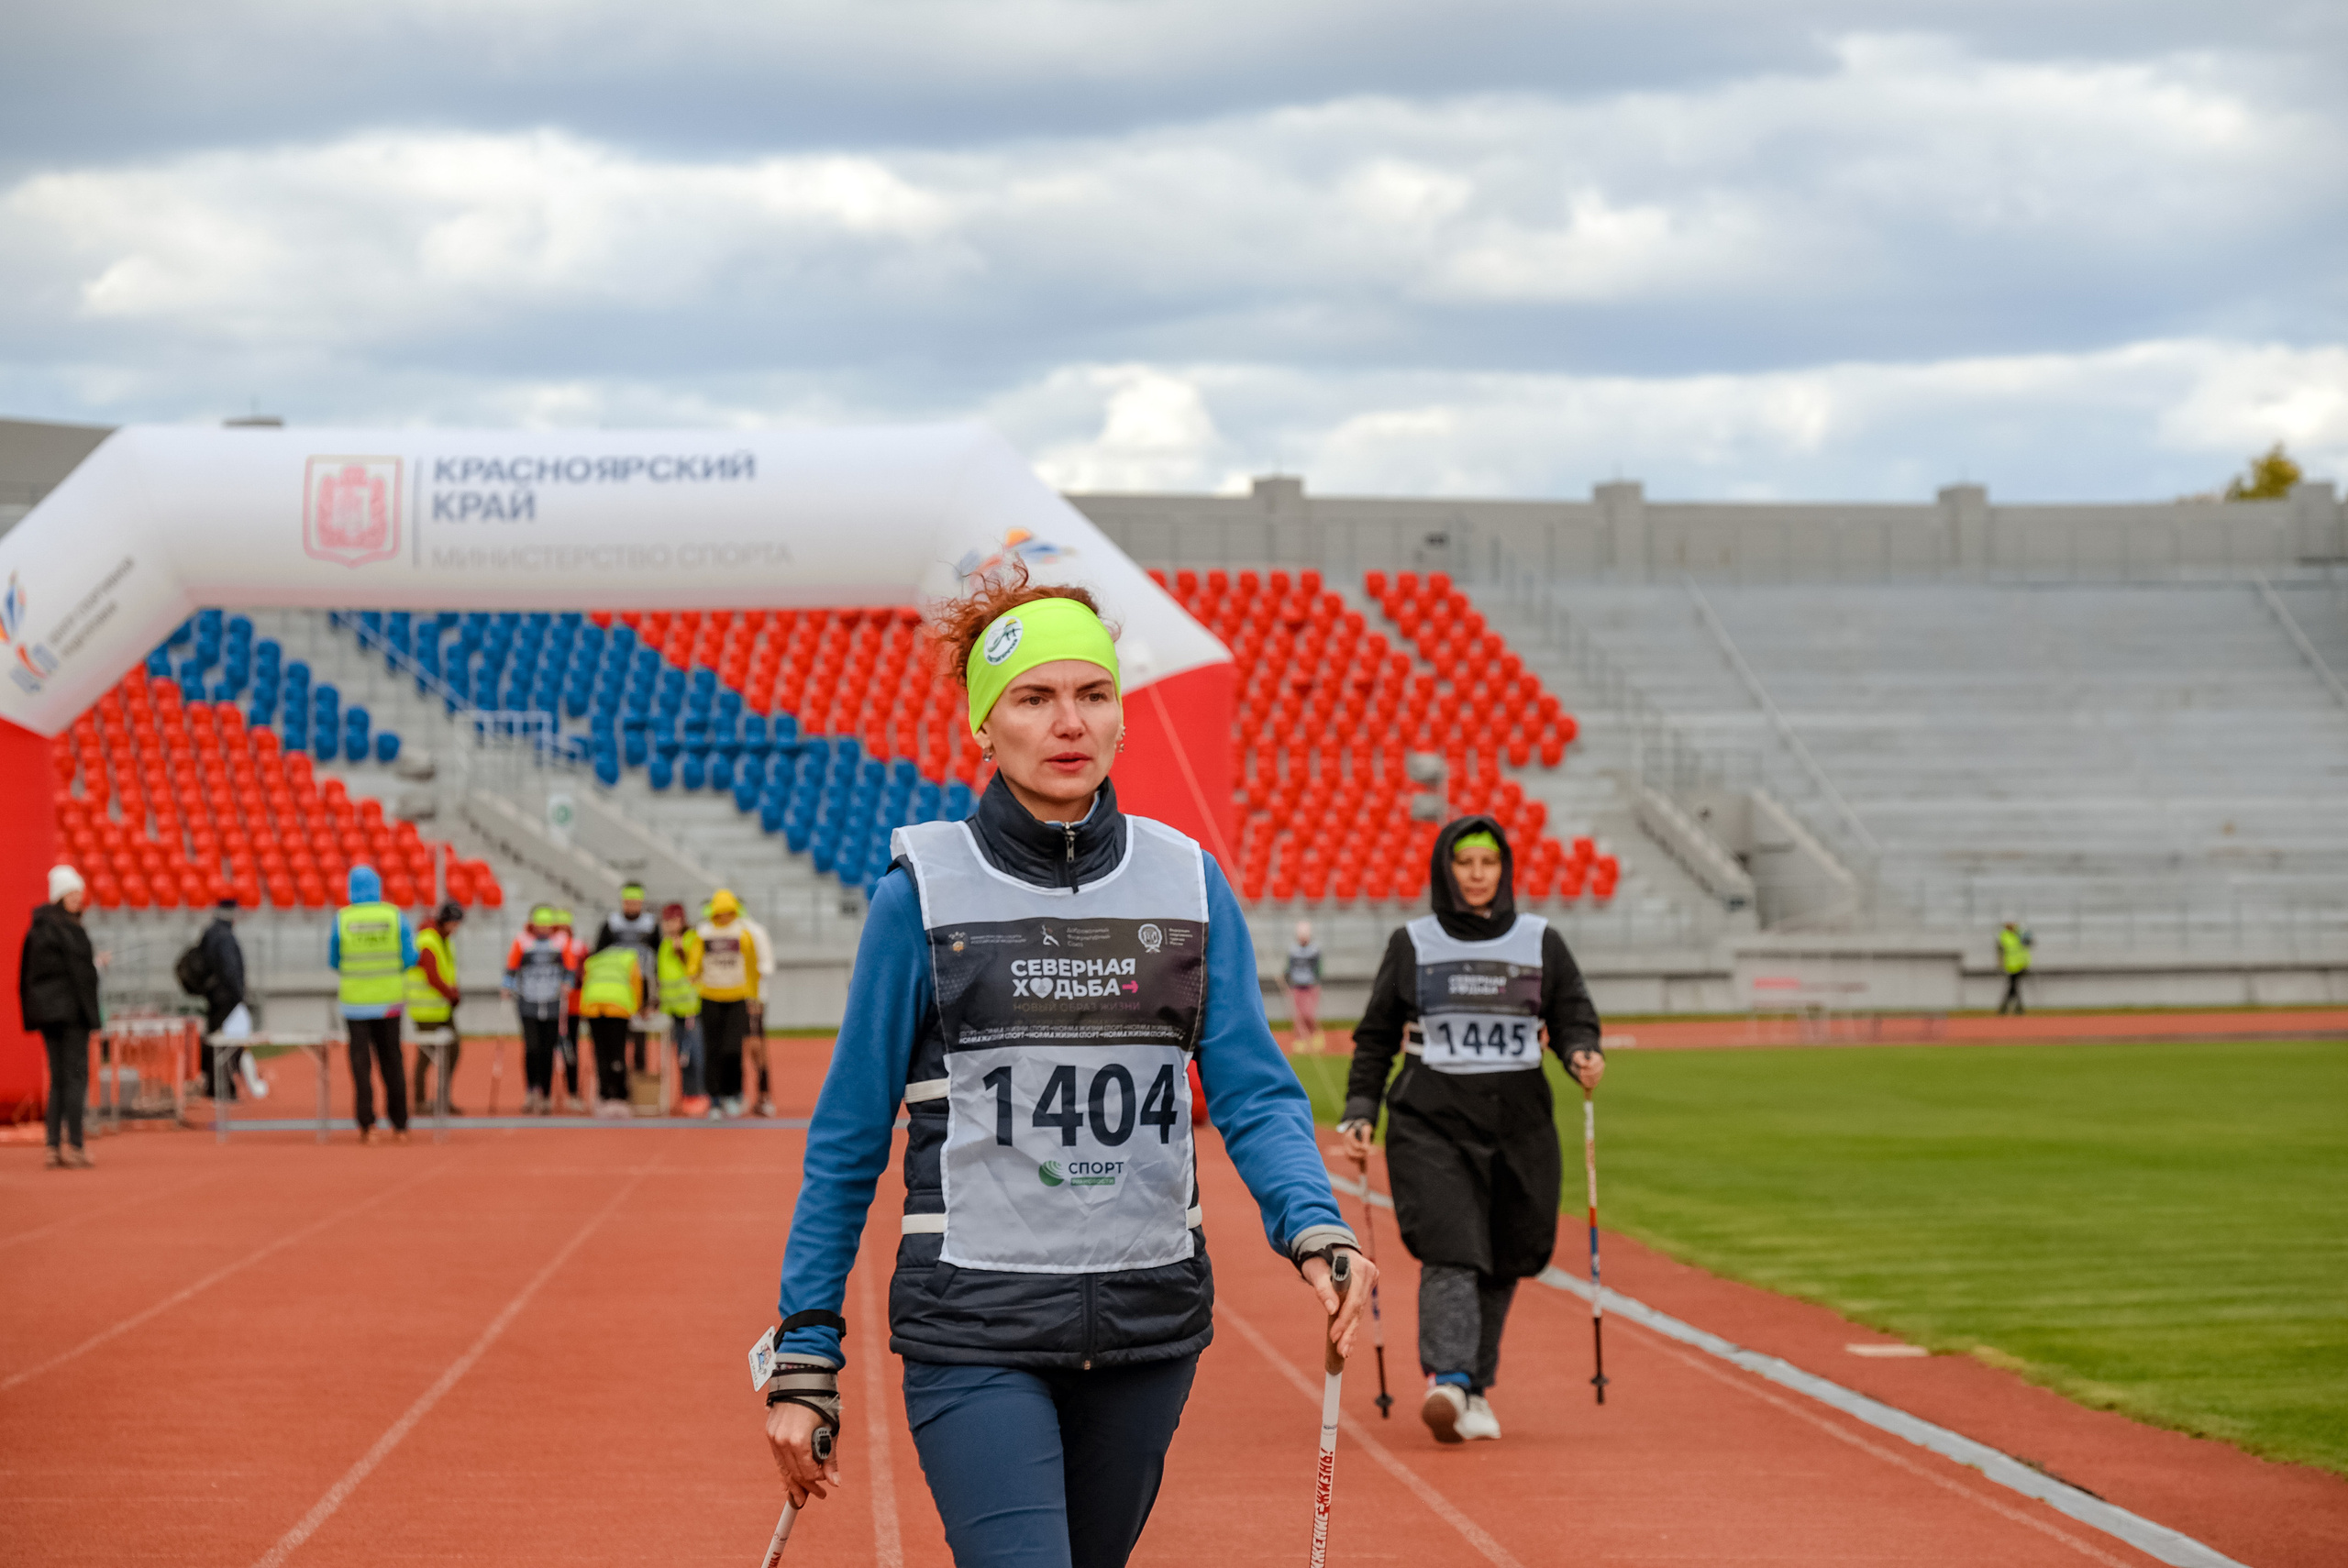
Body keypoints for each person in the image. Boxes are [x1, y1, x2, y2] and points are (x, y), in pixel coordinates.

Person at [761, 568, 1372, 1568]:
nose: (1068, 723)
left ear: (1121, 719)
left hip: (1146, 1325)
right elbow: (845, 1137)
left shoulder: (1186, 881)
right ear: (983, 726)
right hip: (974, 1327)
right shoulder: (919, 892)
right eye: (1034, 699)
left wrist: (1311, 1223)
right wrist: (804, 1347)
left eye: (1091, 695)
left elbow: (1255, 1091)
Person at [1337, 818, 1602, 1446]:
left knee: (1508, 1253)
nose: (1478, 875)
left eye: (1488, 862)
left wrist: (1582, 1051)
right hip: (1432, 1120)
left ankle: (1474, 1386)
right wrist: (1359, 1111)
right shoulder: (1414, 943)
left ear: (1503, 869)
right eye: (1465, 863)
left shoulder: (1542, 942)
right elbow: (1377, 1037)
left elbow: (1571, 1015)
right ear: (1446, 870)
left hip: (1520, 1124)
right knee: (1452, 1246)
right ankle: (1448, 1380)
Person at [328, 865, 418, 1146]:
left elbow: (334, 959)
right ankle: (400, 1124)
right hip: (389, 1003)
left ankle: (367, 1126)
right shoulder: (394, 916)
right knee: (392, 1062)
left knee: (360, 1065)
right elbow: (410, 956)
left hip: (355, 1004)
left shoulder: (342, 919)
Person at [20, 865, 102, 1169]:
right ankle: (76, 1144)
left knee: (57, 1079)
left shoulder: (38, 929)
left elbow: (29, 976)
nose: (79, 899)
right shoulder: (69, 930)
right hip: (71, 1015)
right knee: (75, 1077)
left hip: (47, 1015)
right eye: (73, 893)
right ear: (61, 896)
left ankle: (53, 1146)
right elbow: (80, 976)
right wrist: (91, 1014)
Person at [504, 904, 576, 1115]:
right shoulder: (522, 942)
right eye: (539, 925)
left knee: (548, 1050)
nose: (543, 929)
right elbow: (511, 968)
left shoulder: (561, 942)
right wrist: (507, 986)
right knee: (532, 1047)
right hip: (528, 1002)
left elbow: (570, 969)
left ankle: (545, 1094)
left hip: (553, 1003)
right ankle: (531, 1089)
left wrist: (567, 983)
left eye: (547, 926)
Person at [696, 889, 759, 1118]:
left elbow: (752, 968)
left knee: (732, 1049)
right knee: (712, 1050)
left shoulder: (743, 935)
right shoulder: (703, 934)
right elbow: (693, 966)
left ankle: (733, 1094)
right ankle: (714, 1100)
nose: (724, 917)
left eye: (728, 912)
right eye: (720, 913)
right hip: (710, 997)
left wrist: (753, 997)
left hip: (737, 998)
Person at [581, 925, 647, 1118]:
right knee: (617, 1053)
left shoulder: (592, 960)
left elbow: (586, 983)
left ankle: (603, 1095)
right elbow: (636, 984)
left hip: (593, 1008)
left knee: (601, 1054)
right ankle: (619, 1096)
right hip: (618, 1008)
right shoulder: (628, 957)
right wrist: (637, 1009)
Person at [406, 901, 466, 1114]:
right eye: (453, 923)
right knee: (427, 1055)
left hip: (441, 1007)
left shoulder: (445, 941)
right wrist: (450, 994)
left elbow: (447, 970)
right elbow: (432, 975)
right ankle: (420, 1101)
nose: (455, 928)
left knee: (452, 1051)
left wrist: (453, 992)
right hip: (426, 1009)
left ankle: (442, 1098)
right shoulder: (427, 941)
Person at [598, 881, 661, 1073]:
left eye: (635, 902)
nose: (631, 906)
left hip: (641, 982)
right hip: (618, 984)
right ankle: (616, 1071)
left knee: (640, 1030)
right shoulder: (611, 923)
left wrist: (655, 993)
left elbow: (660, 955)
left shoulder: (651, 925)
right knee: (617, 1031)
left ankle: (639, 1071)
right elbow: (599, 954)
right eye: (628, 902)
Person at [194, 897, 251, 1098]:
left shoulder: (210, 932)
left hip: (215, 996)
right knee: (227, 1043)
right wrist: (239, 995)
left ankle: (215, 1084)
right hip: (226, 998)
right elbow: (229, 969)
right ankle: (222, 1086)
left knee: (217, 1040)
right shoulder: (224, 936)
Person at [656, 902, 707, 1116]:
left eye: (673, 920)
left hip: (691, 1007)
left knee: (695, 1053)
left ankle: (699, 1093)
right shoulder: (665, 944)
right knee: (682, 1055)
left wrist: (681, 953)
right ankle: (688, 1093)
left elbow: (695, 969)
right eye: (666, 921)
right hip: (673, 1008)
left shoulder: (692, 939)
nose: (669, 925)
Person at [740, 906, 779, 1115]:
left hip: (752, 998)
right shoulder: (723, 931)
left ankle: (764, 1096)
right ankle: (739, 1095)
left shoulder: (754, 932)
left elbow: (766, 967)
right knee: (734, 1048)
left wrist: (754, 996)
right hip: (731, 998)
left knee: (755, 1046)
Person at [552, 907, 589, 1112]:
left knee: (569, 1049)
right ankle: (547, 1093)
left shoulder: (578, 946)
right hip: (553, 1005)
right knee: (556, 1049)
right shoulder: (553, 945)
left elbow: (582, 975)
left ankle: (572, 1091)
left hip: (572, 1005)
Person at [1284, 919, 1325, 1053]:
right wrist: (1287, 979)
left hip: (1310, 985)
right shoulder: (1293, 950)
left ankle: (1315, 1037)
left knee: (1310, 1013)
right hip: (1296, 985)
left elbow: (1318, 968)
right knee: (1298, 1015)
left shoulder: (1314, 950)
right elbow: (1288, 967)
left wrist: (1317, 982)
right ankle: (1300, 1039)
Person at [1997, 920, 2033, 1015]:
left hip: (2021, 964)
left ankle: (2007, 1007)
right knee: (2014, 986)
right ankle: (2016, 1007)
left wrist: (2026, 936)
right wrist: (2000, 962)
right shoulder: (2004, 935)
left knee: (2014, 986)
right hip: (2010, 965)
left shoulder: (2020, 933)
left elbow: (2028, 943)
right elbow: (2001, 950)